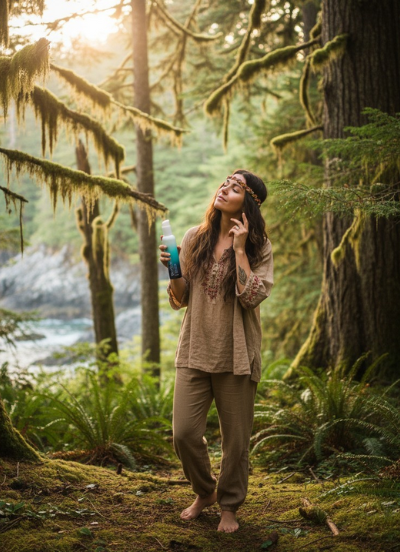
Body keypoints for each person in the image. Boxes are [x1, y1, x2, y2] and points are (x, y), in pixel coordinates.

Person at [159, 169, 274, 533]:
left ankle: (229, 506)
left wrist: (240, 250)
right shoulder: (195, 237)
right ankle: (205, 491)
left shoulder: (259, 247)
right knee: (184, 434)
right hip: (195, 349)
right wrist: (173, 269)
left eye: (236, 187)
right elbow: (181, 298)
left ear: (249, 203)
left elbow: (253, 295)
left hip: (237, 354)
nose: (225, 188)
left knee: (236, 441)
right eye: (225, 182)